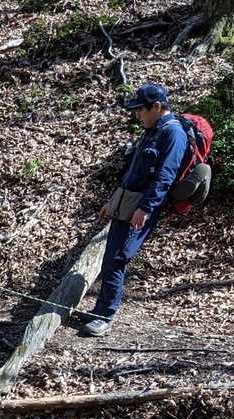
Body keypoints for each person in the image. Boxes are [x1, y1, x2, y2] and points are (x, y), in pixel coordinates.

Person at [78, 83, 190, 338]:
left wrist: (145, 209)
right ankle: (99, 310)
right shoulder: (152, 131)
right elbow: (132, 172)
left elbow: (165, 177)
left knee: (118, 258)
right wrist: (113, 200)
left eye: (141, 110)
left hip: (141, 207)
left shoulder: (173, 134)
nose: (138, 115)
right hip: (126, 202)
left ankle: (105, 316)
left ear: (157, 107)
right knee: (111, 257)